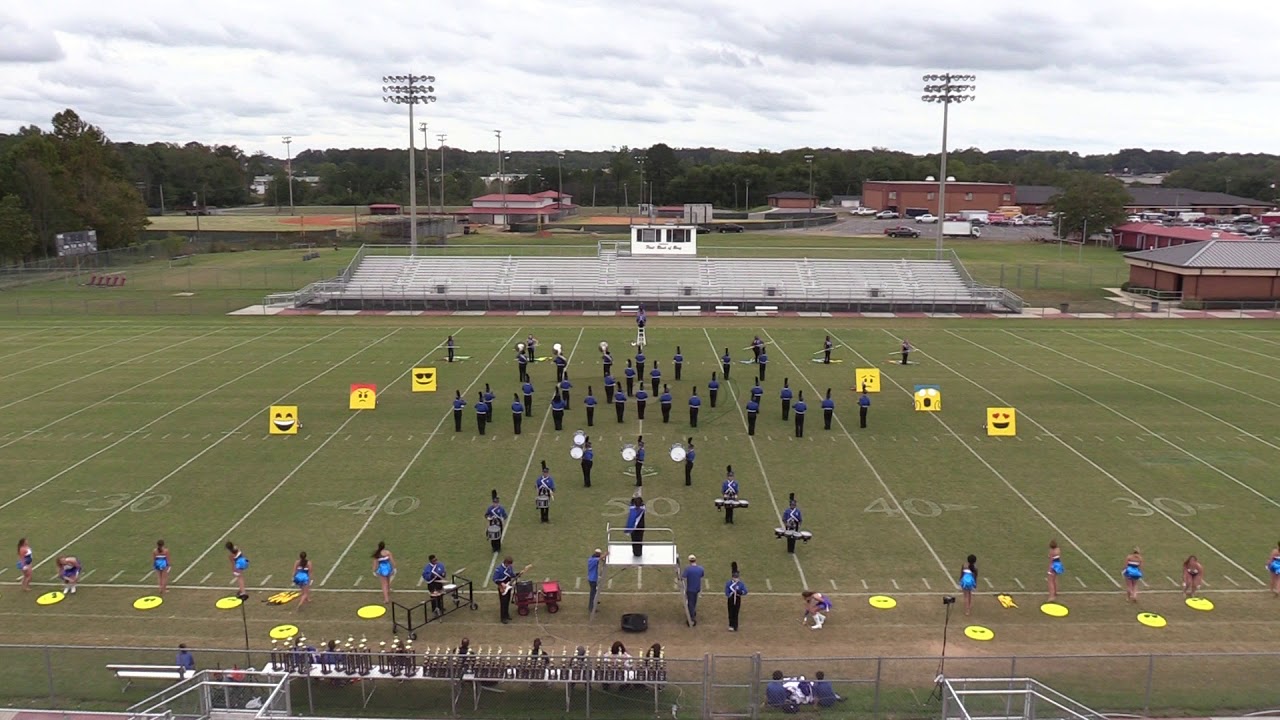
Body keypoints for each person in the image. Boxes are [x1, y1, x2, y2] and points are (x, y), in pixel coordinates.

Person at [493, 556, 520, 624]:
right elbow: (495, 579)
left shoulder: (509, 567)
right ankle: (503, 618)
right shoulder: (499, 569)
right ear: (506, 563)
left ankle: (507, 615)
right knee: (503, 603)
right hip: (502, 588)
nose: (510, 566)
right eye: (509, 564)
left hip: (508, 586)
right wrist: (501, 583)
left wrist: (517, 574)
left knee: (507, 601)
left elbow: (511, 574)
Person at [681, 555, 705, 626]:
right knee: (694, 601)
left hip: (690, 589)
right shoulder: (700, 569)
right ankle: (693, 612)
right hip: (697, 588)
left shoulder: (688, 569)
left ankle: (691, 618)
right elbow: (702, 576)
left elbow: (683, 576)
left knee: (690, 603)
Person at [725, 561, 747, 631]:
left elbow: (745, 591)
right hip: (731, 599)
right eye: (735, 577)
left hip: (737, 599)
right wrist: (730, 595)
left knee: (736, 612)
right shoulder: (729, 583)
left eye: (737, 577)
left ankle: (735, 625)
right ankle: (731, 625)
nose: (736, 579)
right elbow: (726, 592)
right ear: (732, 577)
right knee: (730, 612)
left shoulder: (741, 584)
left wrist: (741, 592)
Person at [587, 548, 607, 614]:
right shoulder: (593, 560)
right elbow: (600, 558)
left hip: (592, 578)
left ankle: (594, 601)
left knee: (595, 591)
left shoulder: (591, 558)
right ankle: (591, 607)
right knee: (592, 594)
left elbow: (600, 559)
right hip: (593, 579)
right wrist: (605, 554)